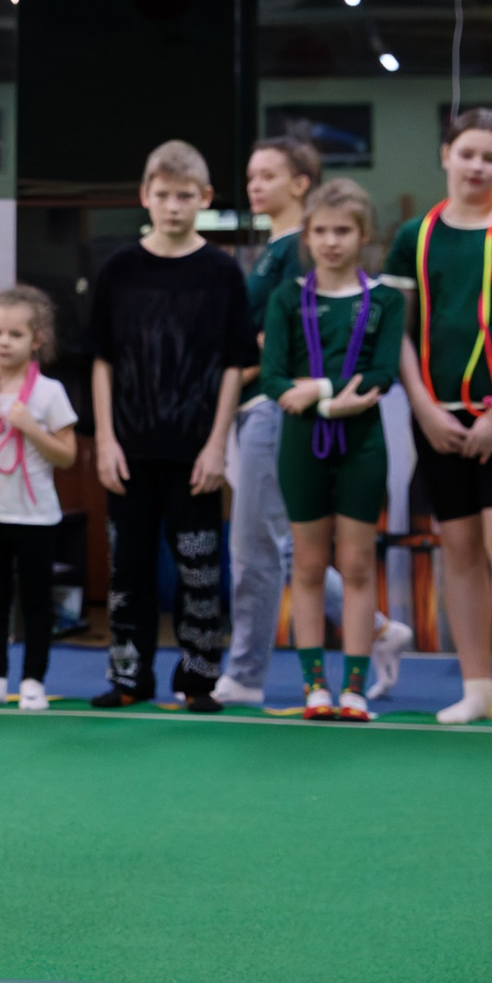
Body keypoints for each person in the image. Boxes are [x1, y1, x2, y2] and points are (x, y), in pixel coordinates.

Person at [382, 109, 492, 726]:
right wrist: (424, 407)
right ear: (445, 156)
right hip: (437, 420)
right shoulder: (415, 236)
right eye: (466, 154)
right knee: (458, 549)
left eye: (490, 157)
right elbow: (399, 333)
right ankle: (476, 687)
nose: (477, 167)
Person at [88, 140, 254, 711]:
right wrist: (105, 440)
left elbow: (234, 365)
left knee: (199, 568)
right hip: (129, 447)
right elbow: (102, 359)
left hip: (195, 449)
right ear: (145, 196)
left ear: (205, 197)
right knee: (127, 567)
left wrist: (217, 446)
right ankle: (128, 676)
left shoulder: (223, 273)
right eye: (163, 195)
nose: (174, 206)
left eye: (185, 196)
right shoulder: (119, 269)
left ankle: (198, 679)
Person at [260, 181, 405, 722]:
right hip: (302, 444)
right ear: (307, 236)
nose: (331, 241)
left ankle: (355, 689)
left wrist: (317, 390)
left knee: (359, 564)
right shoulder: (287, 298)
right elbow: (274, 378)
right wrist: (329, 402)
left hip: (363, 444)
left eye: (342, 230)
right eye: (320, 231)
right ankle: (315, 687)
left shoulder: (385, 300)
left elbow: (382, 373)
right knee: (309, 564)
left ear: (363, 235)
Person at [218, 136, 316, 705]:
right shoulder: (272, 248)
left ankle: (246, 675)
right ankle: (380, 630)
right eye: (251, 176)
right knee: (276, 541)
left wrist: (233, 368)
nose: (255, 185)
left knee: (256, 545)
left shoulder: (300, 249)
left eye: (268, 176)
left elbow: (282, 338)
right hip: (251, 406)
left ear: (301, 184)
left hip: (272, 407)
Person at [0, 286, 78, 711]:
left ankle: (33, 681)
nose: (4, 342)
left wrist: (31, 427)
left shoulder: (49, 392)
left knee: (36, 602)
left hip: (36, 516)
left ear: (37, 339)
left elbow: (67, 456)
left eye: (16, 334)